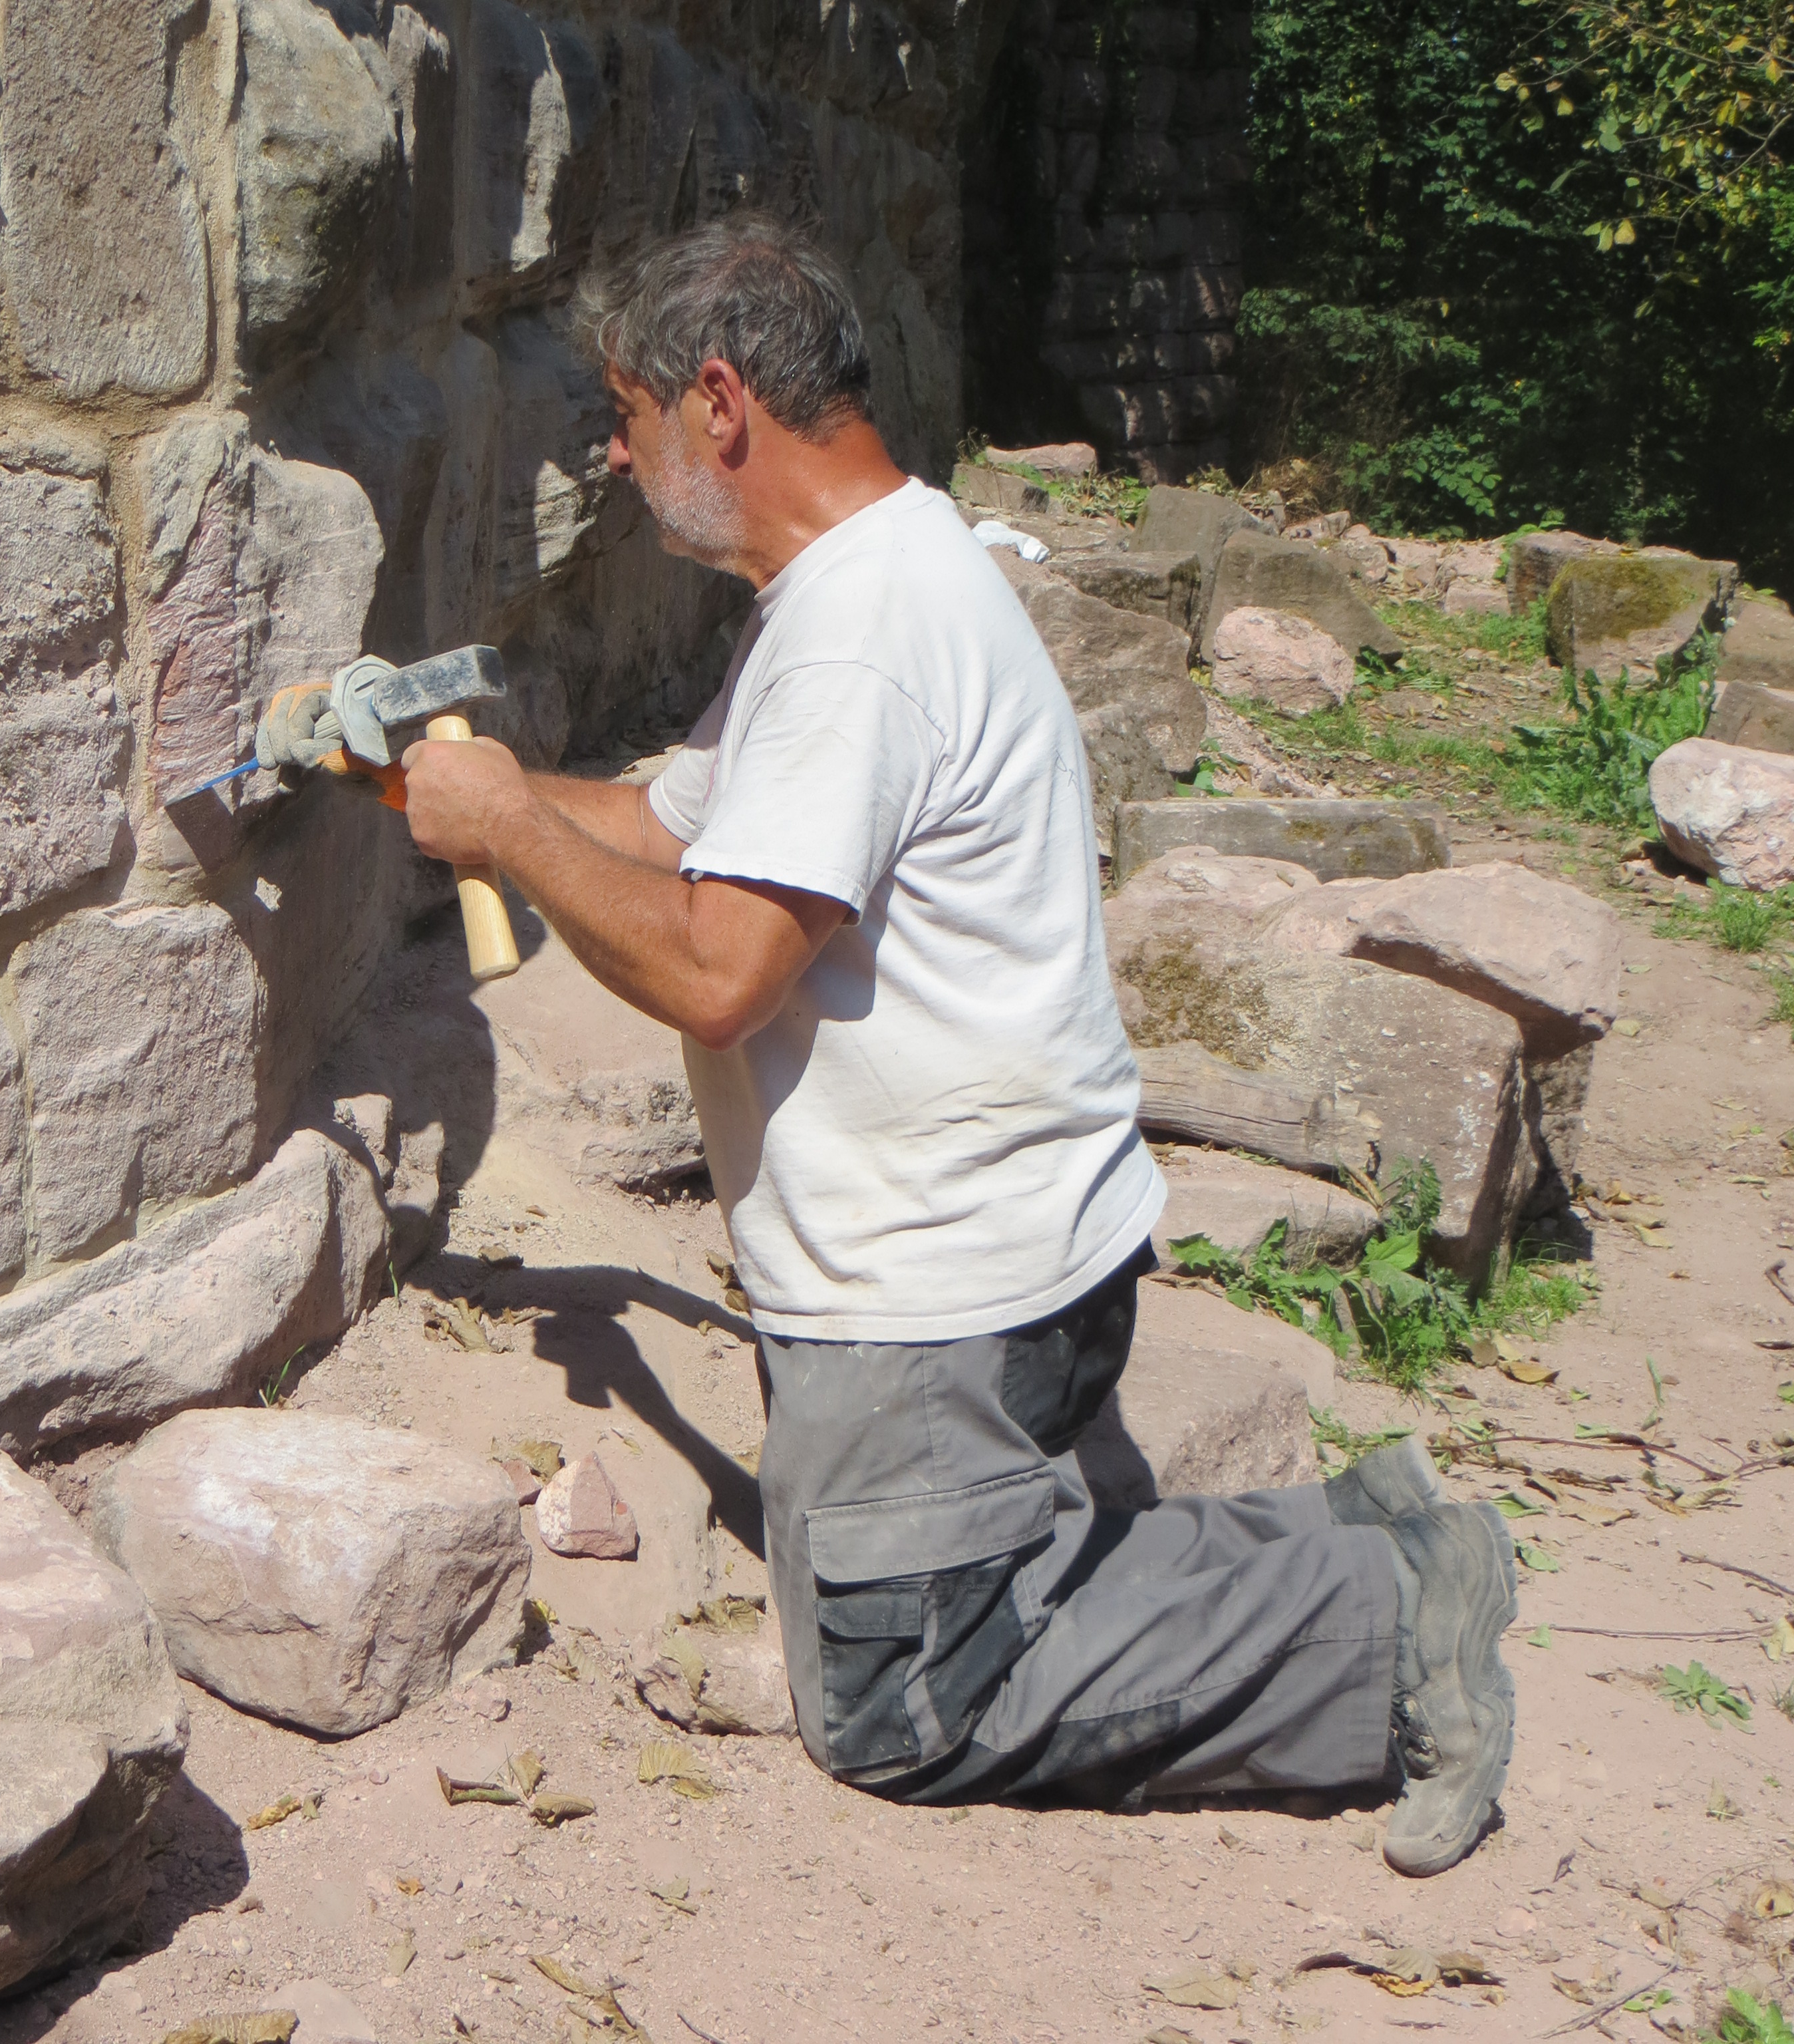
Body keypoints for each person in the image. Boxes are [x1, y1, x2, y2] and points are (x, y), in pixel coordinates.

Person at [399, 214, 1516, 1874]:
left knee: (911, 1699)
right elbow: (668, 826)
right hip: (998, 1260)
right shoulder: (856, 581)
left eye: (628, 418)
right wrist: (455, 793)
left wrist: (503, 828)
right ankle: (1356, 1533)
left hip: (947, 1297)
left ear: (721, 402)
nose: (616, 458)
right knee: (933, 1600)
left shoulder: (861, 634)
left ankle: (1387, 1611)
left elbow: (717, 971)